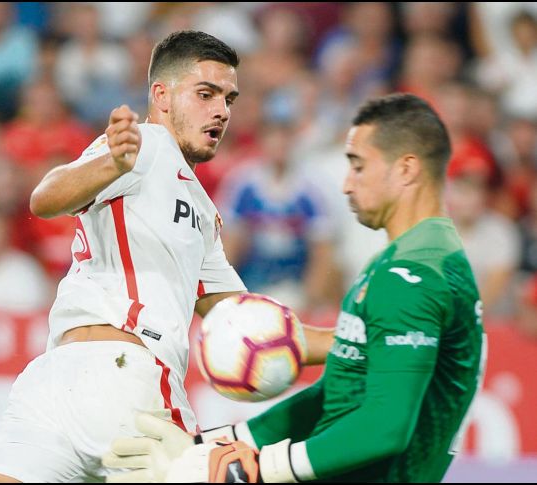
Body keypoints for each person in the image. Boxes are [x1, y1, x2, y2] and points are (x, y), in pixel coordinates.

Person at [0, 30, 335, 483]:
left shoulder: (200, 209)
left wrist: (352, 343)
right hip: (133, 384)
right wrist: (112, 164)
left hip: (56, 383)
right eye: (206, 93)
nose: (221, 110)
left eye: (229, 99)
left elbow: (247, 323)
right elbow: (46, 197)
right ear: (161, 95)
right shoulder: (145, 147)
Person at [103, 93, 486, 483]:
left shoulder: (411, 277)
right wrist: (209, 445)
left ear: (406, 169)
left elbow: (385, 427)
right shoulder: (416, 260)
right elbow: (334, 392)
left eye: (358, 166)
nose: (346, 184)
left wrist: (254, 470)